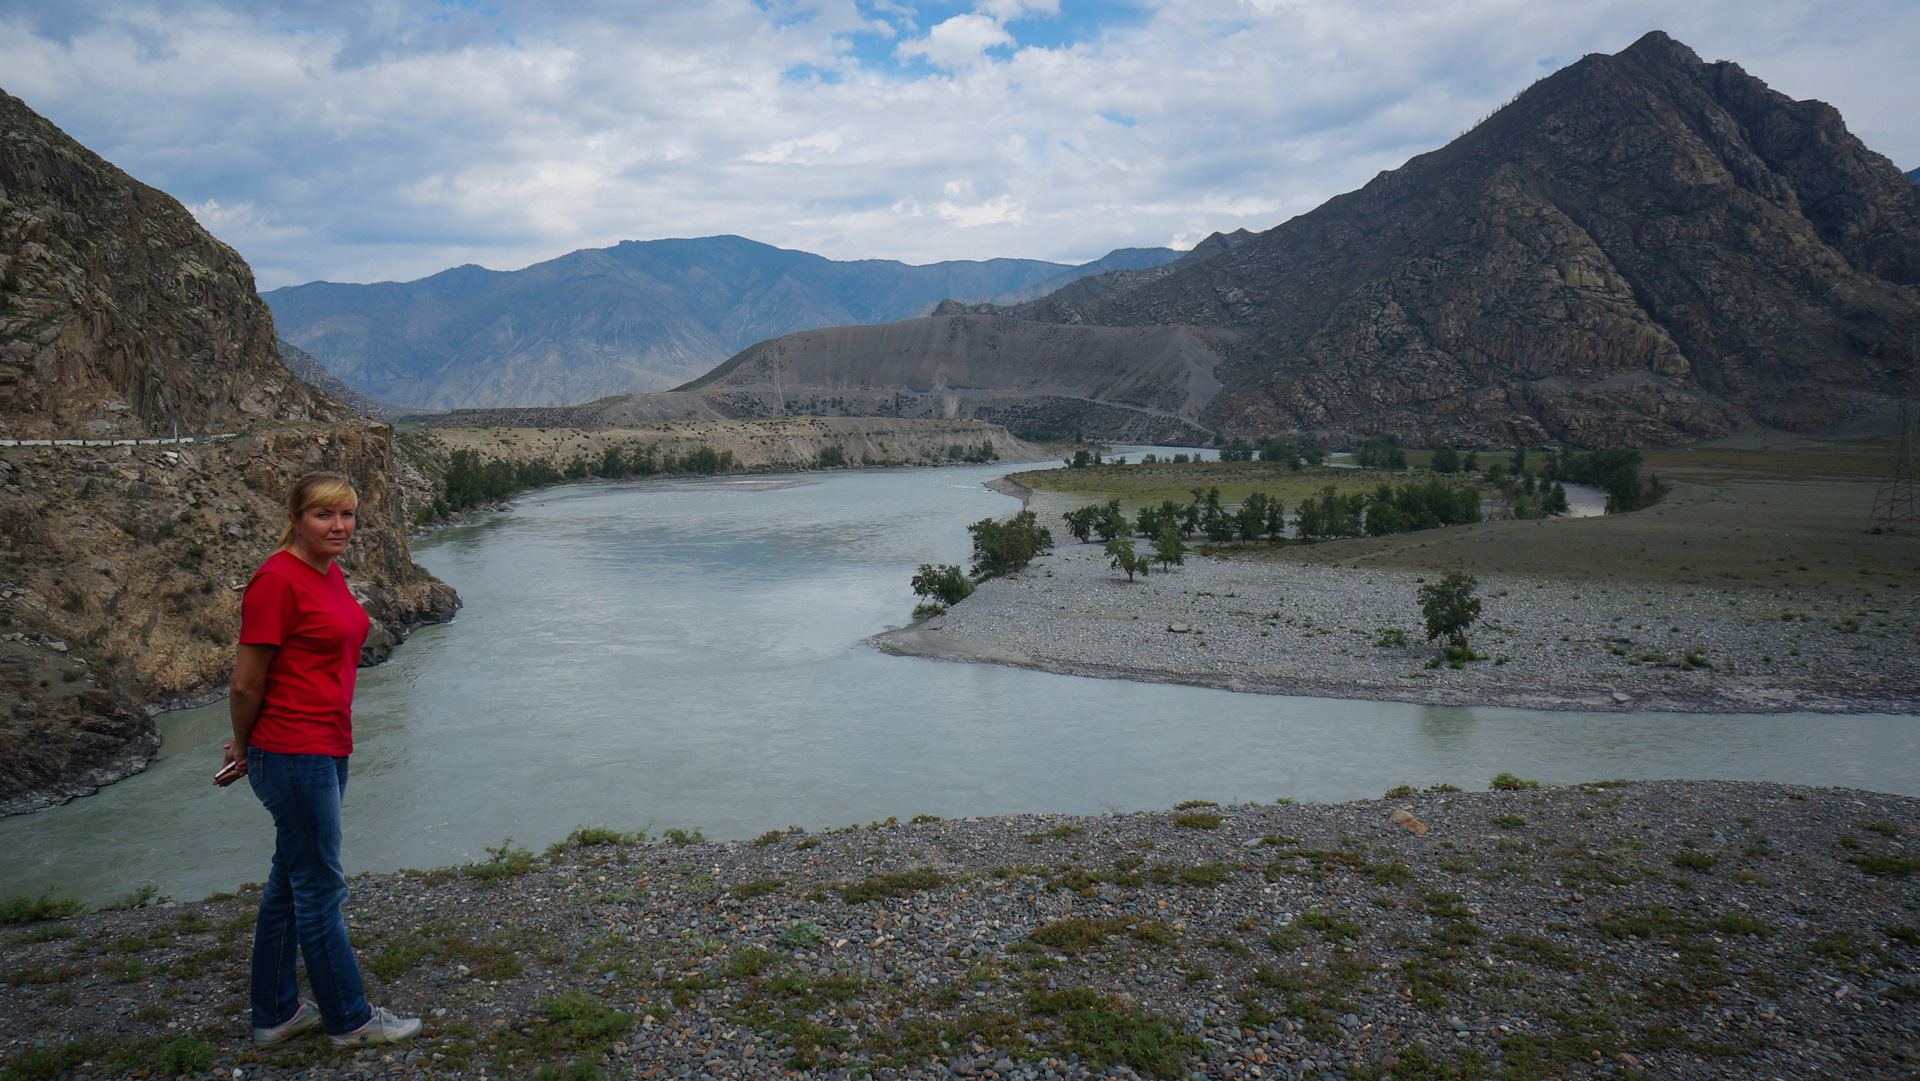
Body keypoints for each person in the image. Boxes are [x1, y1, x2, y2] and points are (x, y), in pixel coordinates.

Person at [214, 471, 422, 1048]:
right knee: (321, 889)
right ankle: (350, 1020)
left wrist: (248, 742)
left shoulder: (327, 572)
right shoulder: (276, 582)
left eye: (347, 515)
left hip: (325, 746)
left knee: (290, 881)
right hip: (293, 752)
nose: (339, 526)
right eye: (323, 515)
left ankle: (276, 1013)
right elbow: (245, 684)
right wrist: (245, 743)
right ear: (295, 518)